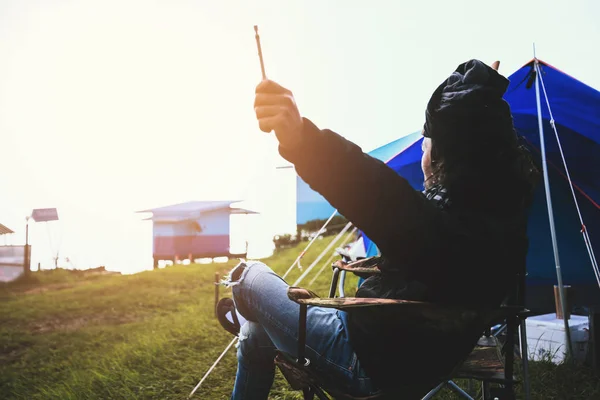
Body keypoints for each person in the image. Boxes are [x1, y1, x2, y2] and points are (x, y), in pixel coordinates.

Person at [219, 59, 539, 399]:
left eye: (426, 143)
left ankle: (243, 310)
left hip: (365, 361)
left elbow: (378, 195)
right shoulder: (495, 219)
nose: (422, 154)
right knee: (254, 335)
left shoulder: (445, 231)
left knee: (247, 277)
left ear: (450, 155)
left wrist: (302, 139)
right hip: (413, 357)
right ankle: (253, 320)